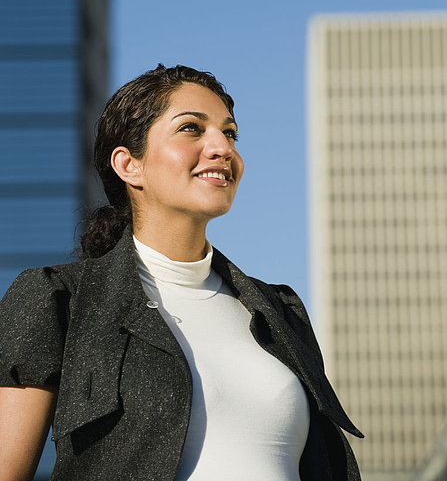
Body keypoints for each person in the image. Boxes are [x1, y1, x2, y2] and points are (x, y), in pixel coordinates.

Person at [0, 64, 363, 481]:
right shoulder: (59, 299)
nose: (222, 148)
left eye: (230, 133)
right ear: (129, 165)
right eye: (192, 128)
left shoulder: (281, 311)